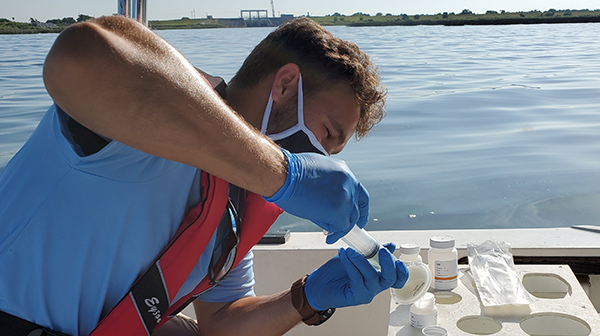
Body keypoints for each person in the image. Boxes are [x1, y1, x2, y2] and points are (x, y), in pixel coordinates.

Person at [0, 16, 408, 336]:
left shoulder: (232, 206)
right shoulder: (156, 103)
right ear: (285, 85)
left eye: (330, 157)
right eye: (326, 136)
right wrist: (287, 175)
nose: (319, 159)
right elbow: (79, 57)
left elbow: (222, 321)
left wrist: (307, 297)